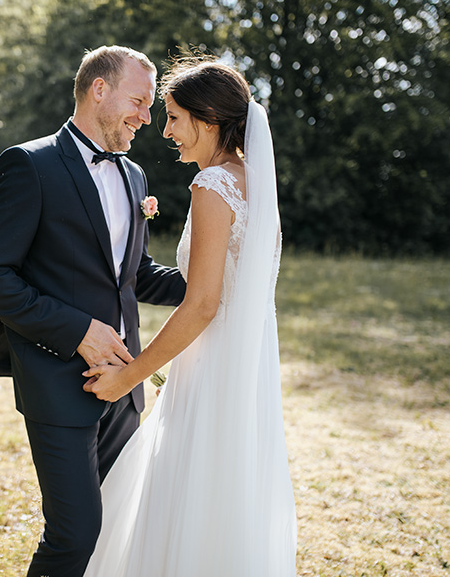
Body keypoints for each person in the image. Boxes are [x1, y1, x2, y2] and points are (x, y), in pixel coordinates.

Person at [0, 45, 187, 577]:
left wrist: (212, 288)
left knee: (114, 527)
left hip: (123, 382)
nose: (147, 118)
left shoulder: (135, 178)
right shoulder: (29, 164)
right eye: (138, 101)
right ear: (99, 90)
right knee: (74, 534)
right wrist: (78, 330)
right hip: (56, 380)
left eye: (151, 107)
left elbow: (132, 276)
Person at [81, 56, 297, 576]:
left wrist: (128, 376)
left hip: (213, 364)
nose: (166, 129)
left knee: (190, 483)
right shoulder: (254, 182)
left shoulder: (213, 186)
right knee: (224, 488)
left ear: (208, 120)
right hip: (246, 362)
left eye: (175, 116)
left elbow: (202, 304)